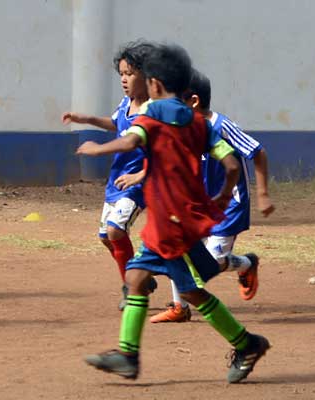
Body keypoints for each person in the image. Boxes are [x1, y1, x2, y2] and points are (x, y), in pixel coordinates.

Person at [77, 43, 270, 383]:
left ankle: (132, 355)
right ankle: (242, 343)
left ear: (153, 84)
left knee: (151, 281)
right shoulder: (201, 124)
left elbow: (129, 142)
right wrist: (223, 198)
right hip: (185, 220)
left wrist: (95, 148)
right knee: (171, 286)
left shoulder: (151, 118)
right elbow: (230, 165)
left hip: (169, 224)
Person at [149, 69, 275, 323]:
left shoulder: (222, 126)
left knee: (210, 262)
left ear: (193, 101)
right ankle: (179, 307)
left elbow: (258, 152)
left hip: (229, 206)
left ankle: (246, 264)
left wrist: (262, 193)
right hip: (196, 203)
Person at [61, 40, 157, 310]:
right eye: (122, 74)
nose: (124, 80)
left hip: (138, 183)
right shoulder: (127, 103)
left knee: (115, 231)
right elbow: (115, 123)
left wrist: (141, 174)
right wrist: (86, 119)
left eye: (130, 74)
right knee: (106, 236)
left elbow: (163, 153)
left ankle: (132, 288)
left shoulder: (155, 111)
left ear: (148, 75)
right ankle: (141, 276)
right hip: (118, 180)